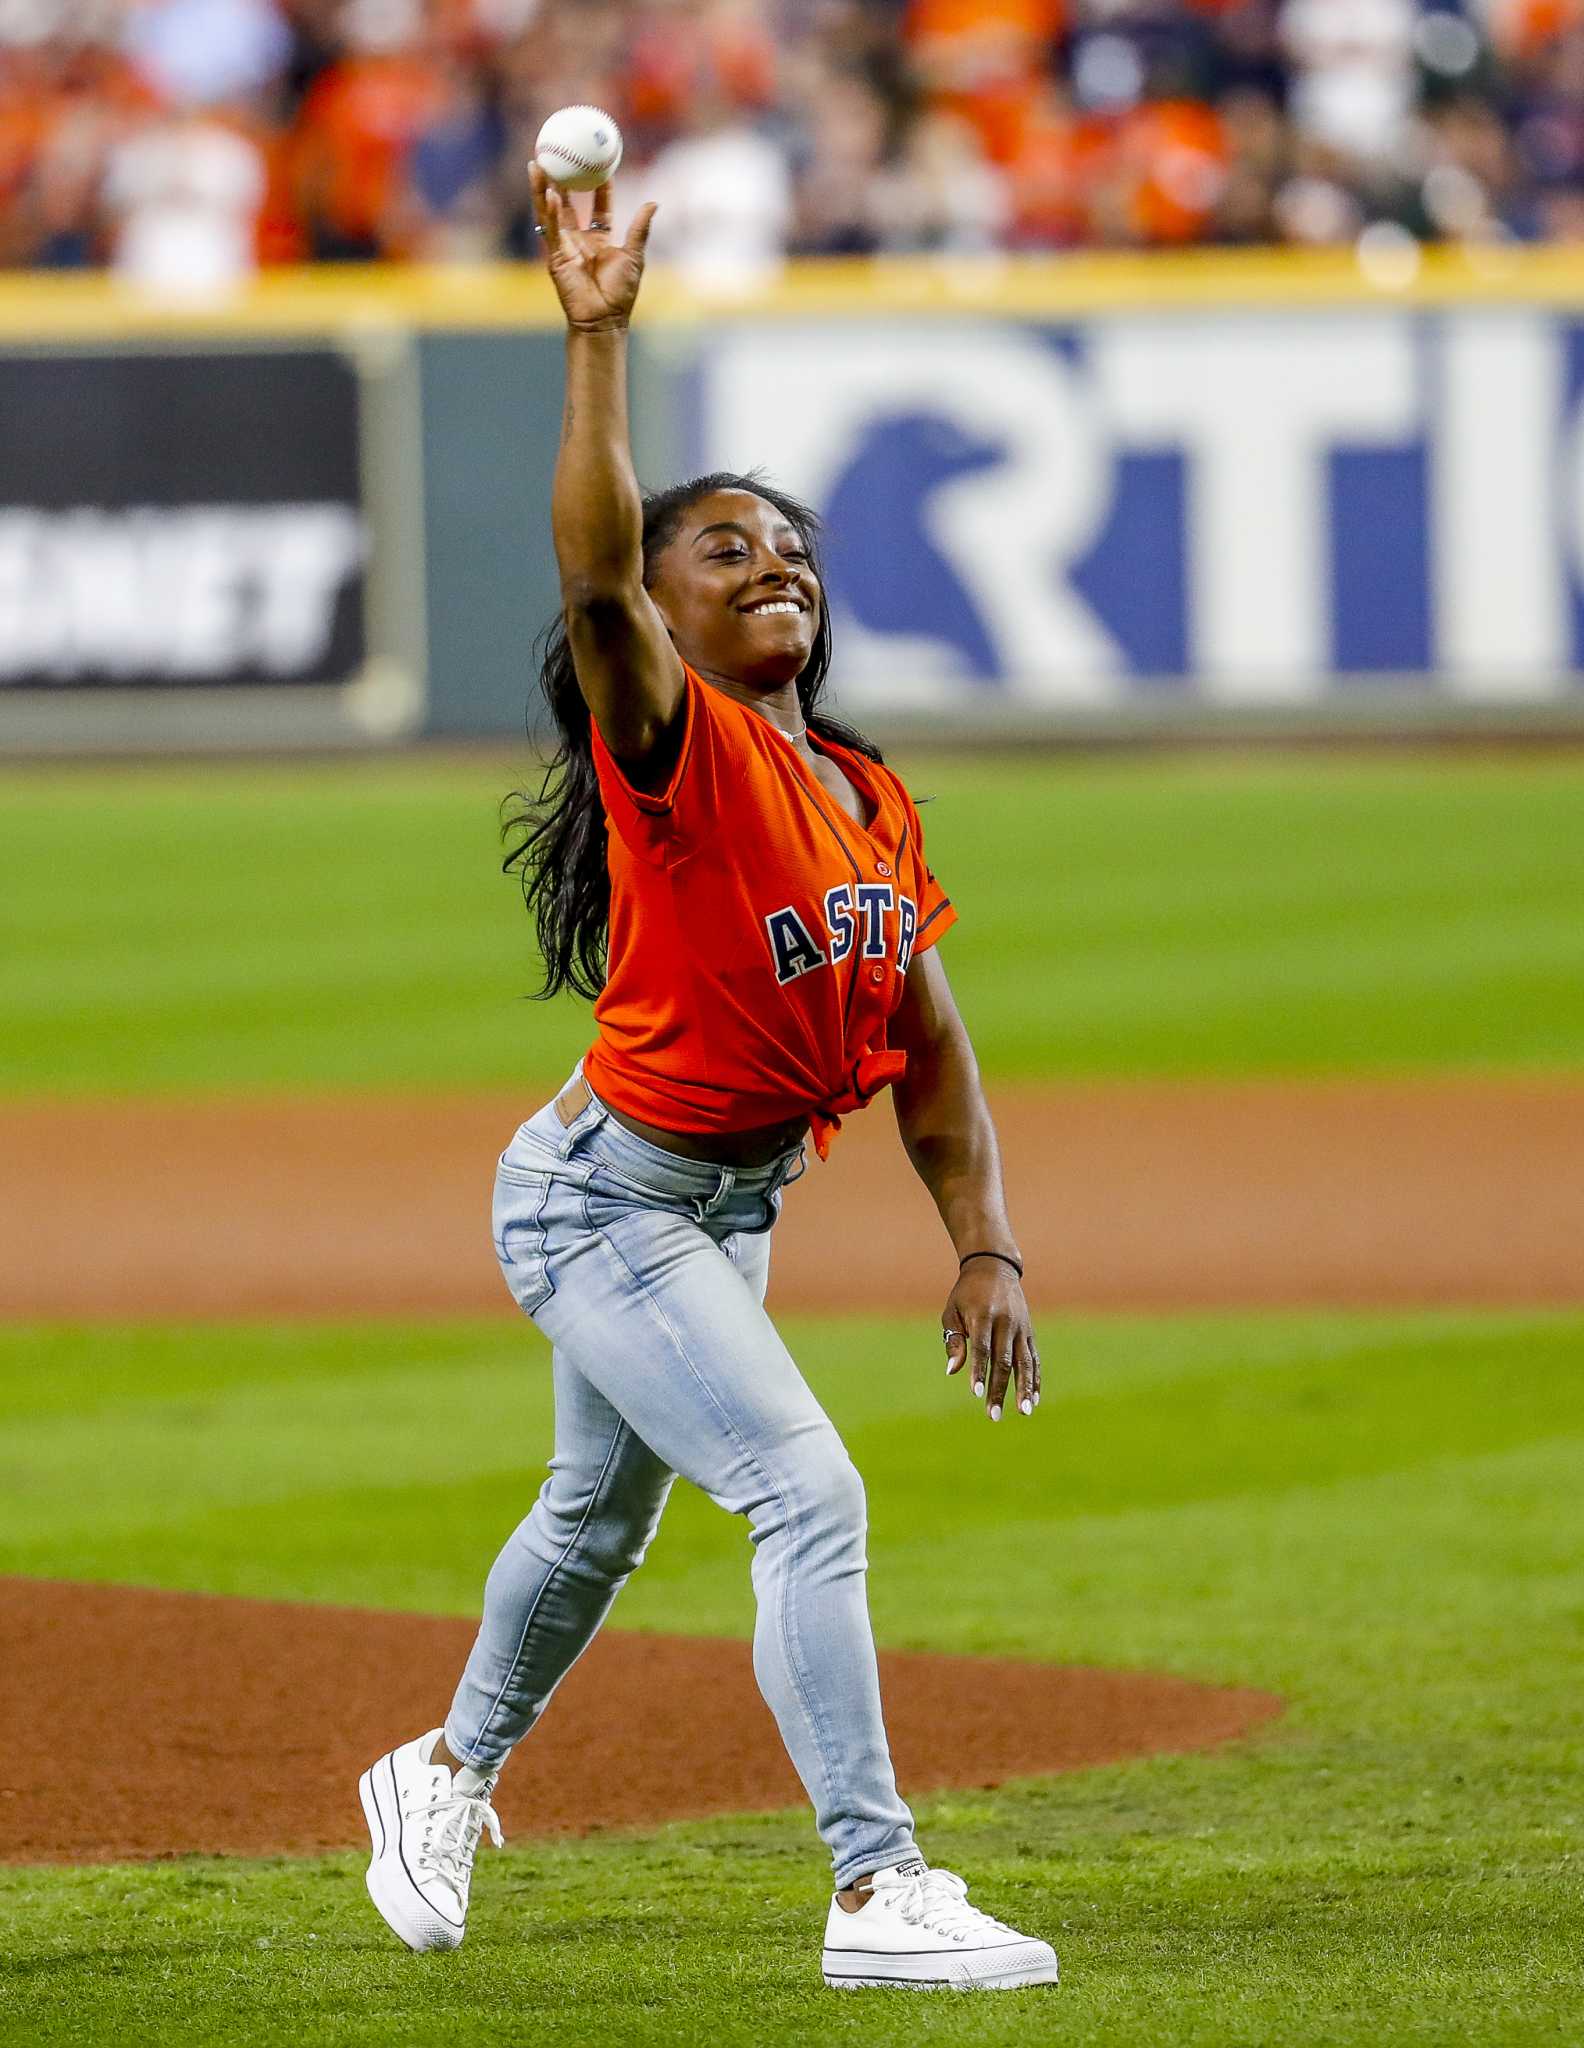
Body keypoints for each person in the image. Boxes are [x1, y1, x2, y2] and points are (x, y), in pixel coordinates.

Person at [358, 163, 1058, 1994]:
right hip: (605, 1201)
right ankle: (876, 1889)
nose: (775, 565)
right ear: (662, 616)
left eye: (791, 546)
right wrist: (597, 341)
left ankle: (439, 1774)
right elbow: (595, 569)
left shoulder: (864, 796)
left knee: (596, 1518)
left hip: (712, 1210)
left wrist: (982, 1242)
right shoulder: (687, 750)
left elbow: (924, 1033)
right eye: (724, 548)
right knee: (806, 1492)